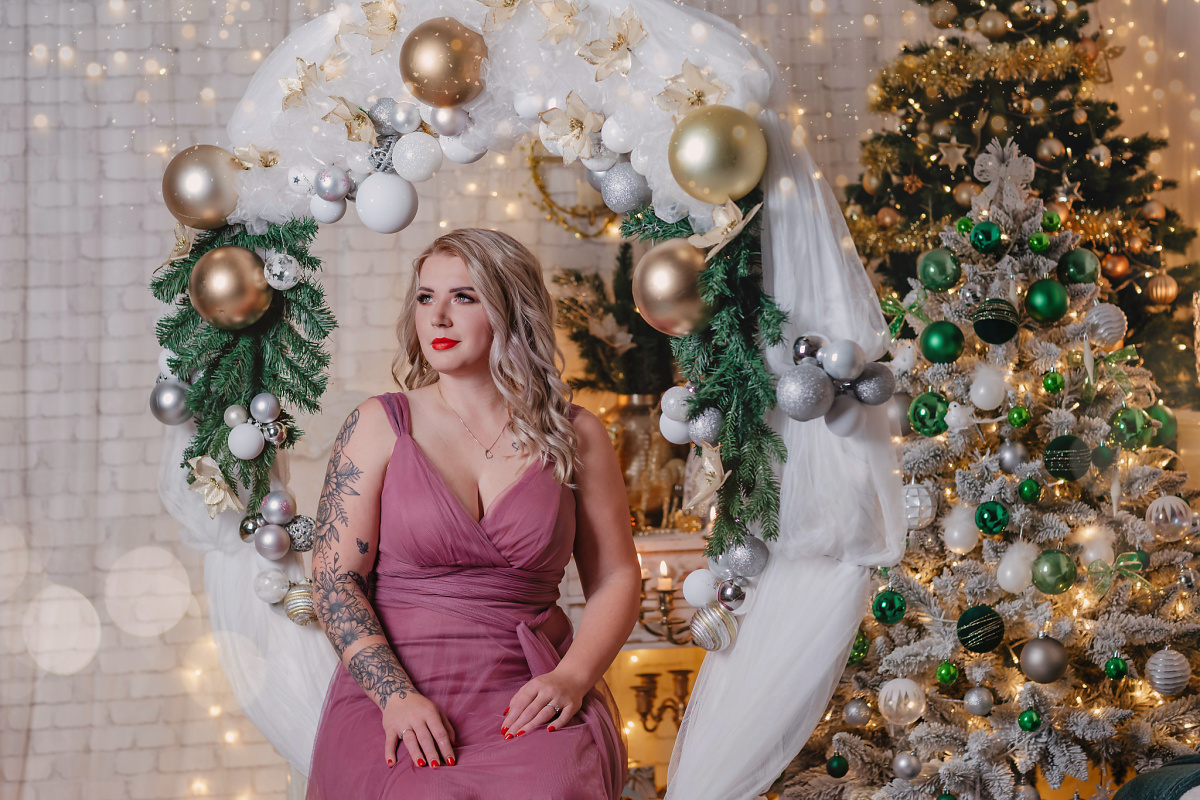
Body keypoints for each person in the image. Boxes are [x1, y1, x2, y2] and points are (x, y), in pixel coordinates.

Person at [305, 228, 641, 800]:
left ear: (512, 308)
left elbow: (615, 575)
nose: (437, 317)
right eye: (425, 297)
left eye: (463, 297)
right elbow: (335, 581)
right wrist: (395, 697)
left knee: (554, 784)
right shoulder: (379, 424)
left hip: (529, 688)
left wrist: (572, 677)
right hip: (399, 689)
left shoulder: (575, 433)